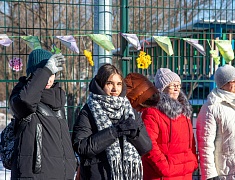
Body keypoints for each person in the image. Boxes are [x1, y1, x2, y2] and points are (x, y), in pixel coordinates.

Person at [72, 63, 152, 180]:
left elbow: (146, 147)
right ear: (100, 85)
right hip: (98, 175)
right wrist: (114, 132)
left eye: (119, 84)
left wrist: (135, 135)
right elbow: (81, 147)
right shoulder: (88, 110)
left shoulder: (129, 110)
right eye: (109, 83)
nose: (115, 89)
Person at [9, 49, 77, 179]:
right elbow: (26, 101)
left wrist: (71, 163)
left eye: (52, 73)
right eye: (45, 72)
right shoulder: (20, 95)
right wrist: (45, 71)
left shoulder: (58, 98)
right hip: (33, 175)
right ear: (33, 75)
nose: (48, 78)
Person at [125, 70, 198, 180]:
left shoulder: (184, 111)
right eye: (173, 85)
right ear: (162, 89)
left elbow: (191, 141)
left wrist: (193, 161)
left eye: (178, 85)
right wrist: (165, 167)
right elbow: (149, 145)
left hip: (185, 172)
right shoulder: (152, 112)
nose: (177, 88)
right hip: (162, 175)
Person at [197, 64, 235, 180]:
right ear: (227, 83)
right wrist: (210, 175)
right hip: (225, 173)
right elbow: (205, 144)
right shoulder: (211, 107)